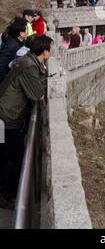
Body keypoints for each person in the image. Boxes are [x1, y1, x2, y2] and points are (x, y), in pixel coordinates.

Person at [0, 35, 53, 208]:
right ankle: (7, 196)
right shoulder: (29, 65)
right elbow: (37, 94)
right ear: (44, 51)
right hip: (7, 116)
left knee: (7, 155)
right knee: (14, 157)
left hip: (7, 113)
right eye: (51, 48)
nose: (52, 51)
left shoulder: (29, 61)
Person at [0, 19, 28, 84]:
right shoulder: (11, 46)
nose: (27, 32)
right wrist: (4, 82)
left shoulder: (21, 41)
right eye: (26, 30)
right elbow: (1, 65)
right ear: (21, 33)